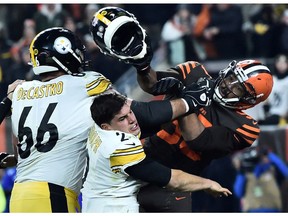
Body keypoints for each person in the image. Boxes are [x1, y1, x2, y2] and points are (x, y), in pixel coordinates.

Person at [6, 26, 212, 213]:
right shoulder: (86, 83)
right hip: (53, 194)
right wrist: (190, 102)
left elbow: (24, 147)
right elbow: (140, 112)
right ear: (65, 53)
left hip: (19, 193)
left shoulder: (21, 91)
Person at [89, 6, 274, 212]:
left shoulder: (246, 127)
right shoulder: (195, 71)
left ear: (249, 100)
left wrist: (186, 98)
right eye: (232, 78)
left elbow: (197, 139)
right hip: (141, 155)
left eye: (239, 88)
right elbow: (153, 84)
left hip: (174, 181)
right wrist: (142, 65)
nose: (228, 86)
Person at [81, 93, 232, 213]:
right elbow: (174, 180)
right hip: (114, 208)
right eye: (122, 118)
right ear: (107, 127)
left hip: (94, 203)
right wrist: (208, 184)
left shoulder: (97, 126)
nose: (132, 120)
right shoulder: (119, 146)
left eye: (130, 112)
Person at [233, 145, 288, 212]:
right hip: (252, 209)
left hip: (273, 209)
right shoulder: (245, 172)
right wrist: (241, 172)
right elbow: (238, 192)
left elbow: (285, 172)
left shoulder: (271, 169)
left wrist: (269, 155)